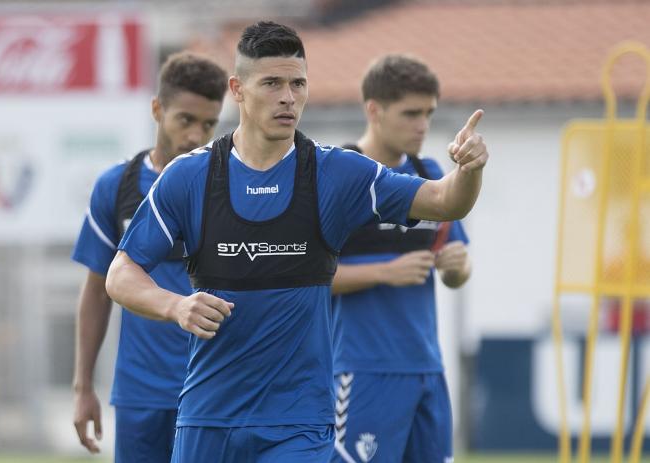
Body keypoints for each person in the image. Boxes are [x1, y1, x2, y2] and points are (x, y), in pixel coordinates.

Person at [105, 21, 488, 463]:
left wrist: (469, 170)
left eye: (298, 83)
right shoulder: (189, 177)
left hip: (299, 426)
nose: (288, 96)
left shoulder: (337, 174)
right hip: (207, 418)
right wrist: (174, 305)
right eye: (272, 83)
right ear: (238, 90)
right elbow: (121, 273)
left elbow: (444, 201)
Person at [71, 51, 227, 462]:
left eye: (209, 124)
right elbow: (97, 292)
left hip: (213, 392)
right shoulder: (117, 186)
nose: (196, 135)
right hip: (141, 392)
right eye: (185, 120)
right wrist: (83, 387)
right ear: (158, 109)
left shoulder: (227, 188)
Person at [331, 54, 470, 463]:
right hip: (361, 367)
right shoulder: (336, 175)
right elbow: (304, 274)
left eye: (428, 113)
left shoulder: (430, 175)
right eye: (410, 113)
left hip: (427, 366)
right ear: (373, 110)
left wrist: (460, 267)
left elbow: (456, 271)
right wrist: (384, 272)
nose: (422, 125)